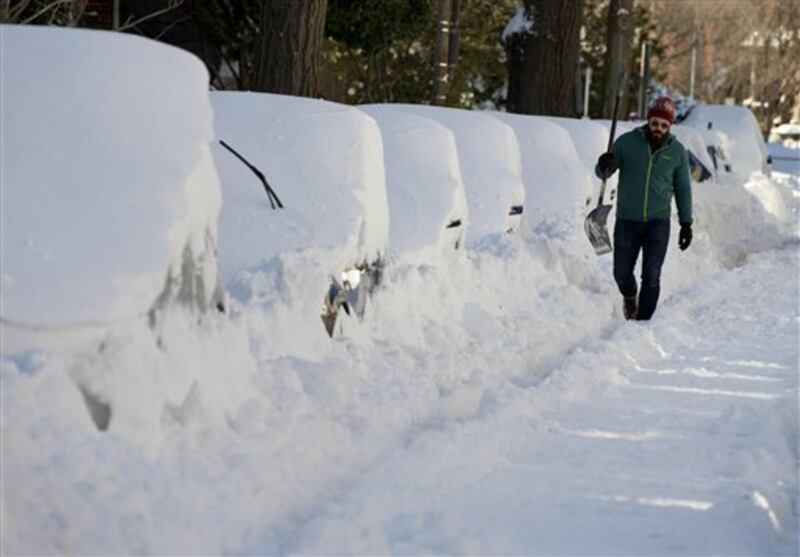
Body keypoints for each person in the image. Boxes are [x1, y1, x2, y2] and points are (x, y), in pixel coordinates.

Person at [595, 97, 693, 321]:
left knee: (651, 275)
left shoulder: (676, 151)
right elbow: (604, 173)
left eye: (664, 125)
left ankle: (643, 323)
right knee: (621, 274)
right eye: (655, 123)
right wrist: (603, 164)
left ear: (670, 126)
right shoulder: (626, 143)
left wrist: (686, 223)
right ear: (649, 120)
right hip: (627, 220)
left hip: (658, 222)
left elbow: (683, 188)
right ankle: (630, 297)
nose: (658, 129)